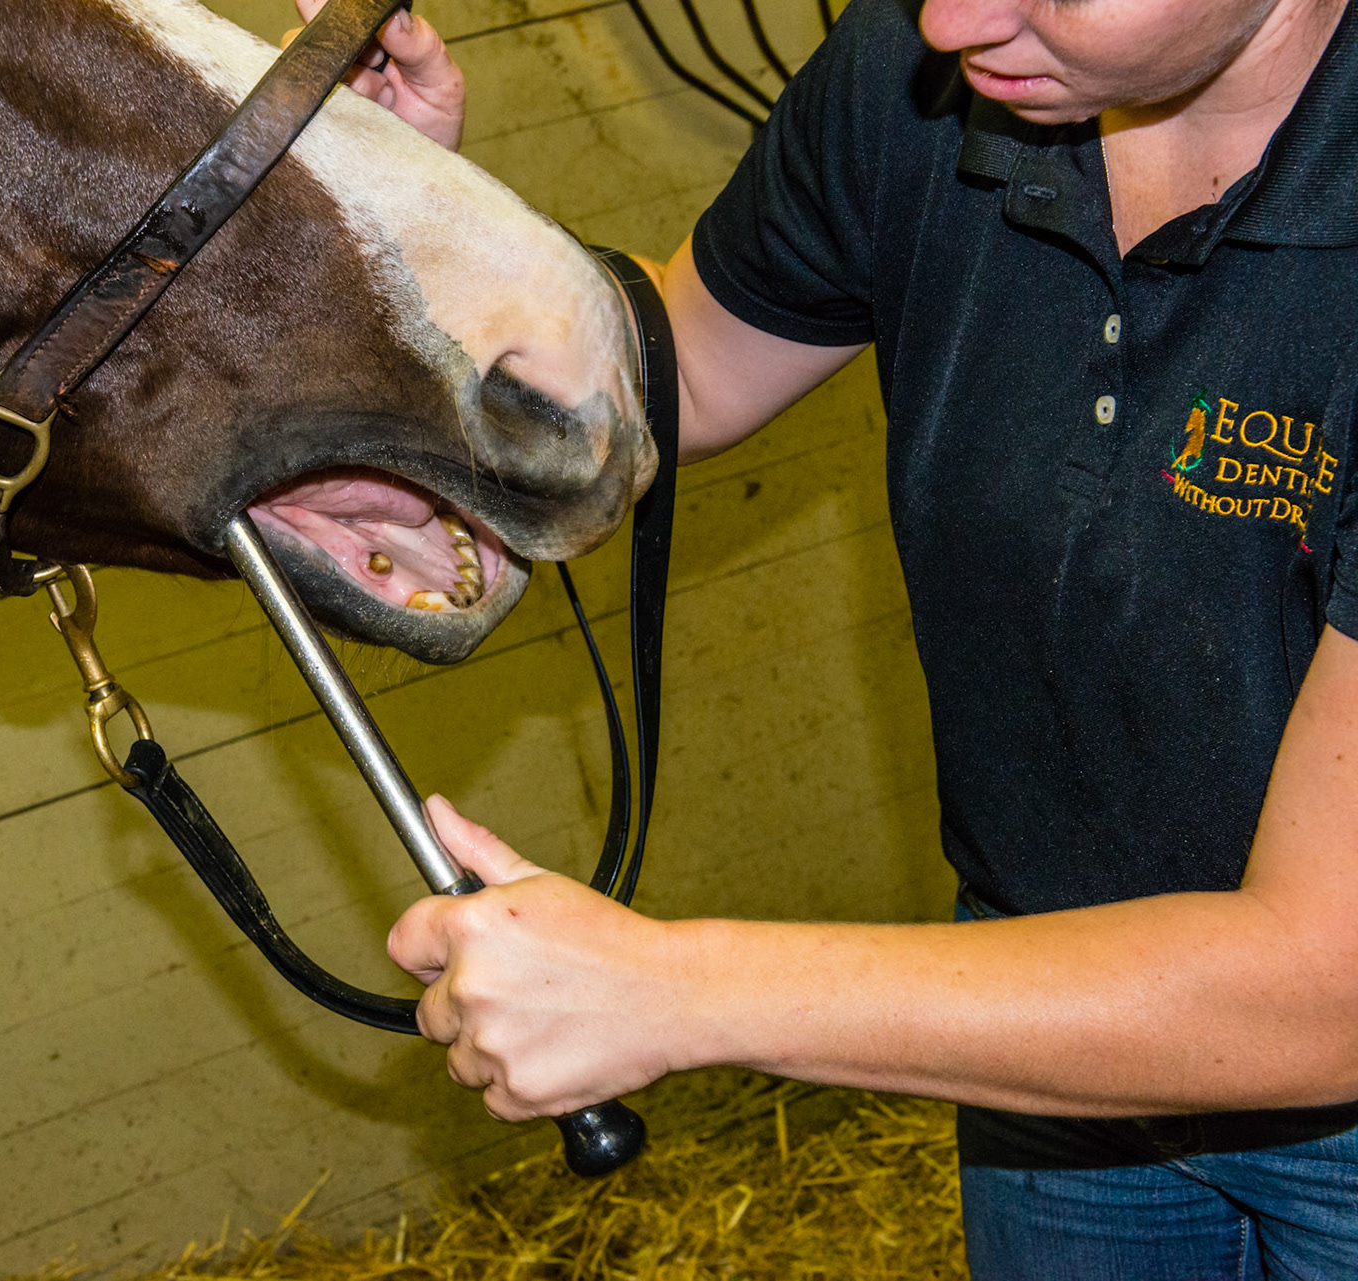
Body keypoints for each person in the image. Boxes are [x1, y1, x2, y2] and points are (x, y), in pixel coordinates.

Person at [297, 0, 1358, 1274]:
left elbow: (1324, 985)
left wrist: (673, 993)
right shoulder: (925, 73)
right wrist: (405, 216)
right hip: (1032, 1026)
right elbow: (663, 380)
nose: (955, 14)